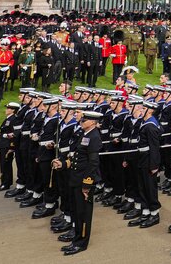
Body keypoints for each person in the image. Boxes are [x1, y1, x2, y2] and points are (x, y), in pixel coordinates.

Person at [55, 109, 102, 256]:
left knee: (83, 213)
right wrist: (63, 164)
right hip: (76, 178)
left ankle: (81, 242)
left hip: (83, 182)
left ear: (93, 122)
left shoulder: (94, 137)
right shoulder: (85, 134)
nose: (81, 122)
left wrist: (87, 184)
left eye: (84, 120)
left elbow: (93, 163)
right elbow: (78, 157)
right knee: (76, 211)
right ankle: (76, 238)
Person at [0, 102, 21, 191]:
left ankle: (5, 183)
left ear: (13, 110)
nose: (6, 110)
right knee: (4, 164)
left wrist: (12, 147)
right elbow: (4, 132)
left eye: (8, 108)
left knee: (6, 164)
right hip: (3, 144)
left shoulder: (14, 119)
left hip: (7, 146)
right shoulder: (8, 119)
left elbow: (14, 134)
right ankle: (5, 182)